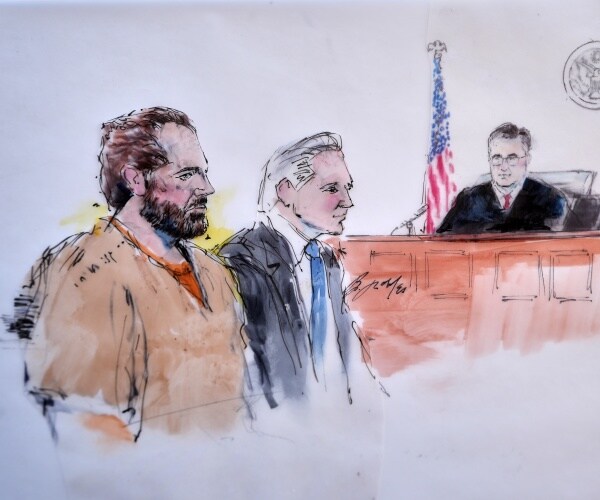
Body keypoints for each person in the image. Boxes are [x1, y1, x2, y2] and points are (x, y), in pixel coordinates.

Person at [5, 107, 247, 442]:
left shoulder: (214, 272)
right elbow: (87, 428)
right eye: (186, 174)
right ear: (135, 179)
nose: (207, 188)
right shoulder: (84, 272)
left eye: (203, 173)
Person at [219, 132, 377, 409]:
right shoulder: (240, 260)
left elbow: (346, 355)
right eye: (332, 188)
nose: (347, 200)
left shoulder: (326, 260)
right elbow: (240, 375)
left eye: (347, 187)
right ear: (286, 191)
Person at [437, 122, 567, 234]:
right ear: (489, 159)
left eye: (512, 158)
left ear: (527, 159)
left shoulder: (551, 200)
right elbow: (442, 239)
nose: (503, 167)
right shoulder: (468, 199)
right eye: (497, 157)